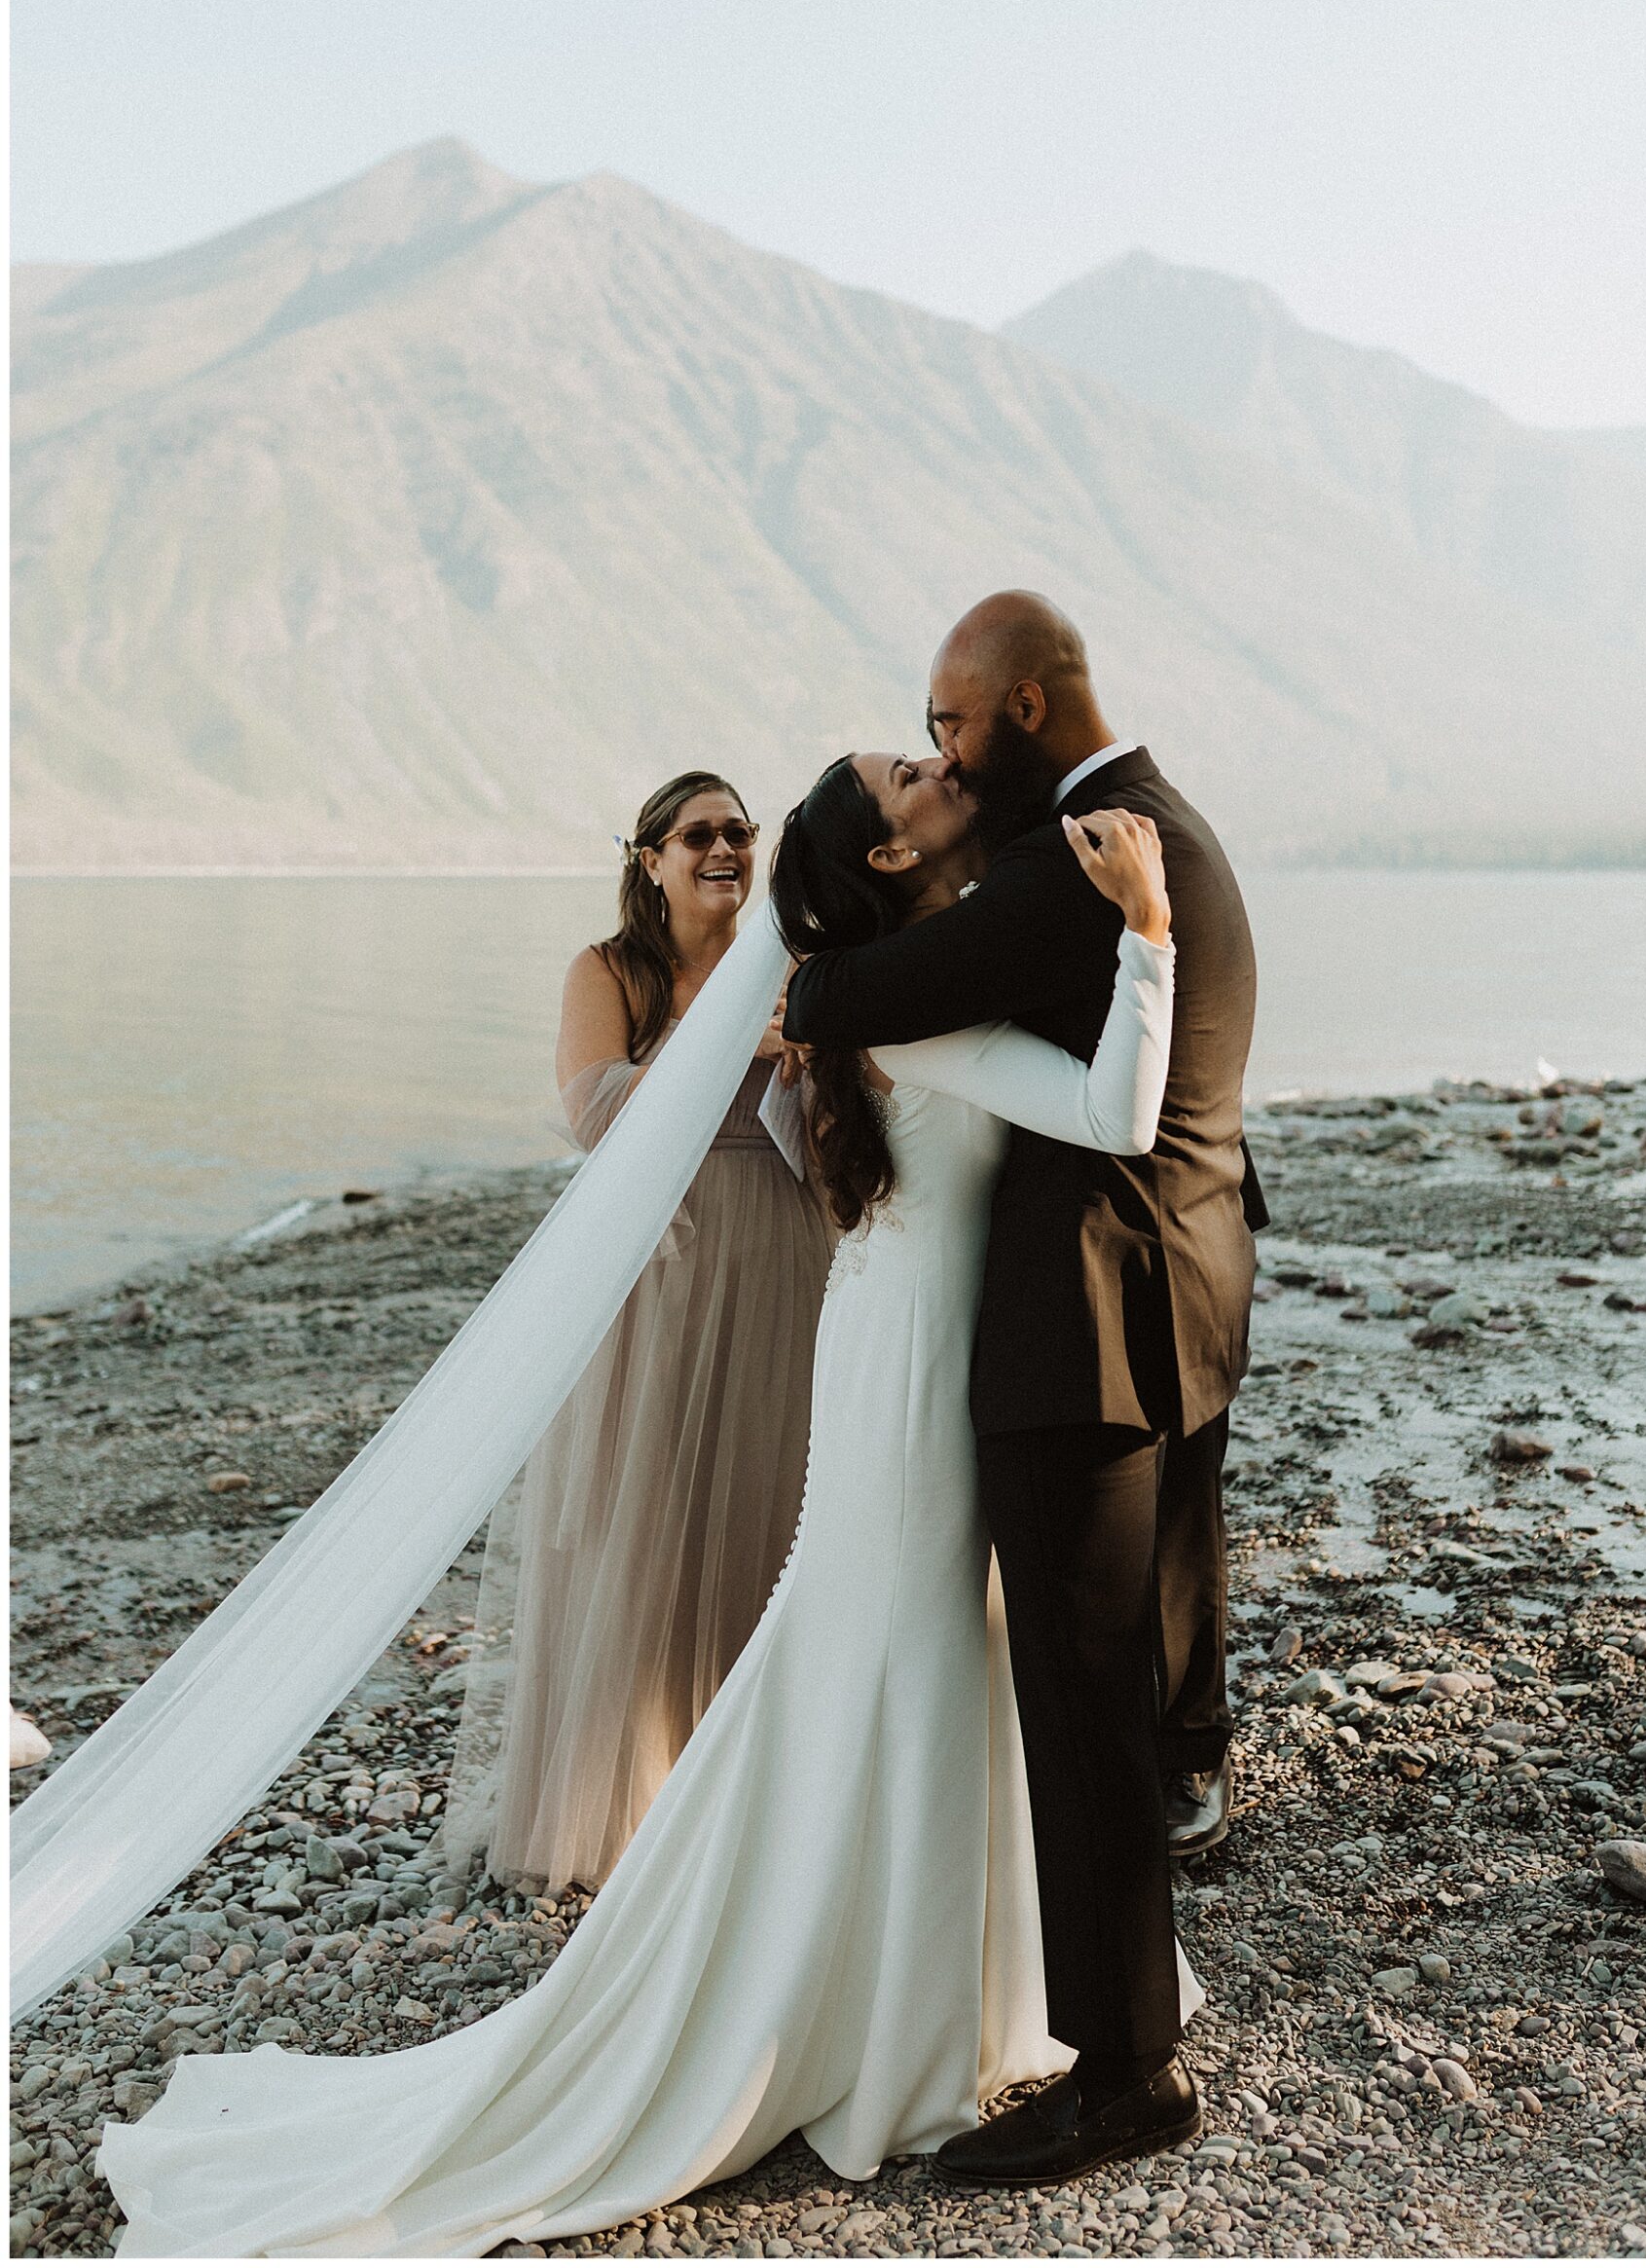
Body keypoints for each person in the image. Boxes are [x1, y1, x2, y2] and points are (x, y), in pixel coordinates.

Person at [97, 755, 1196, 2256]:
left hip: (895, 1339)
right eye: (905, 773)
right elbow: (1115, 1113)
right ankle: (883, 2017)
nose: (932, 768)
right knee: (904, 1657)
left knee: (901, 1653)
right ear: (879, 859)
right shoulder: (895, 1006)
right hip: (911, 1360)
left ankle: (933, 1984)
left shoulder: (867, 994)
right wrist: (1149, 930)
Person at [786, 592, 1266, 2189]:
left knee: (1075, 1699)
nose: (942, 753)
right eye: (922, 742)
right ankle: (1100, 2033)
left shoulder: (1085, 849)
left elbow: (865, 995)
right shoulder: (1144, 822)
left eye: (951, 724)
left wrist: (803, 996)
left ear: (1036, 706)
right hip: (1156, 1297)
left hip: (1089, 1330)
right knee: (1093, 1685)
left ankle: (1122, 2080)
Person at [442, 770, 837, 1893]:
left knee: (770, 1506)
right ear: (651, 857)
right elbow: (593, 1110)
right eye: (700, 833)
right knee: (648, 1517)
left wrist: (808, 1061)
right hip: (655, 1269)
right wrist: (724, 1044)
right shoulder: (608, 971)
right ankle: (618, 1805)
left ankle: (749, 1796)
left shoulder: (795, 963)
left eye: (739, 832)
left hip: (780, 1253)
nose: (725, 848)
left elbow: (834, 1124)